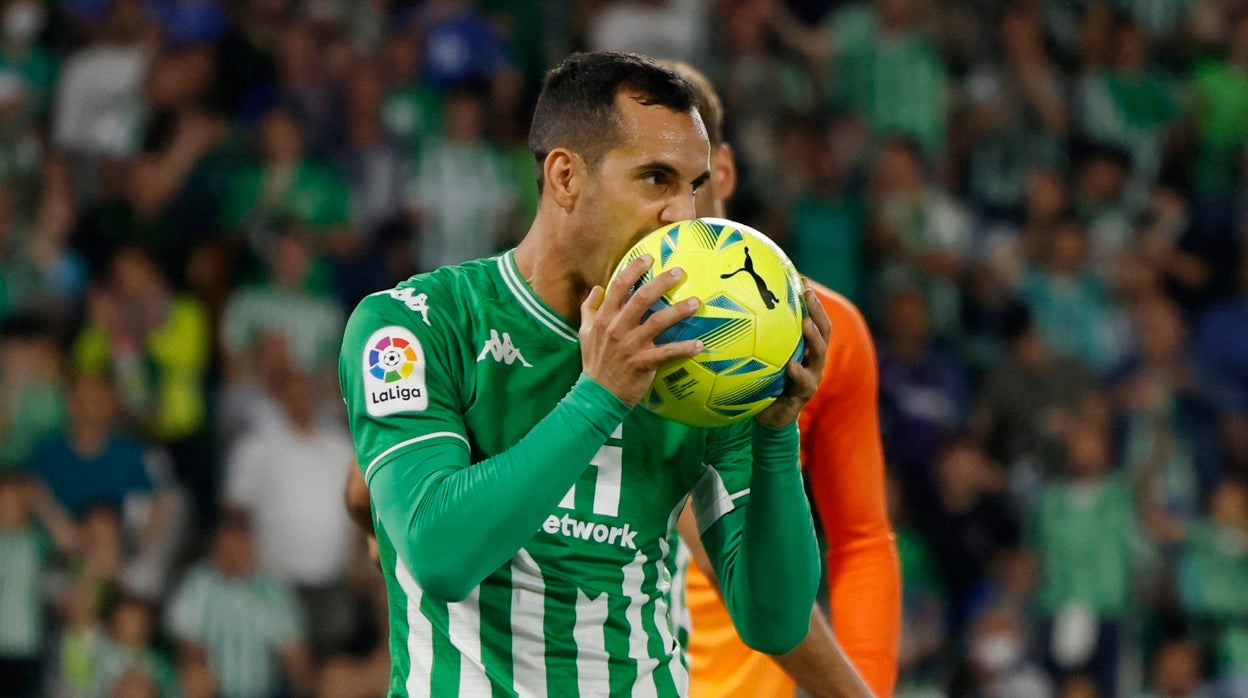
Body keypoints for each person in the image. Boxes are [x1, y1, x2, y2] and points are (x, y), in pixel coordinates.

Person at [338, 52, 829, 695]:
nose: (684, 217)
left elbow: (774, 622)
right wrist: (600, 397)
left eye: (694, 185)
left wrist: (775, 438)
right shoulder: (418, 325)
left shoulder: (704, 358)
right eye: (656, 179)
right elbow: (439, 556)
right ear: (566, 177)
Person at [663, 61, 895, 698]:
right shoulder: (582, 327)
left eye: (689, 180)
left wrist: (869, 684)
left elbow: (862, 540)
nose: (669, 210)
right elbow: (724, 550)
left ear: (726, 172)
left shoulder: (825, 332)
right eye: (650, 179)